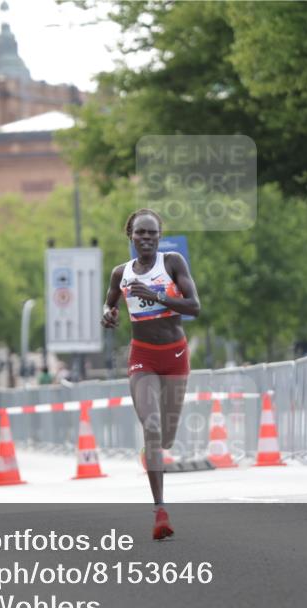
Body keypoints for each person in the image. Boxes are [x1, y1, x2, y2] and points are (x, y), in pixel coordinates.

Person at [101, 208, 200, 540]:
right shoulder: (121, 273)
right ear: (130, 235)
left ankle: (153, 451)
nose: (146, 238)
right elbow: (111, 304)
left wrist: (158, 295)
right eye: (140, 233)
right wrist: (108, 315)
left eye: (152, 233)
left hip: (174, 357)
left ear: (159, 237)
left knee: (166, 438)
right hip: (142, 357)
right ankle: (160, 510)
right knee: (152, 427)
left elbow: (194, 306)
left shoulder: (172, 263)